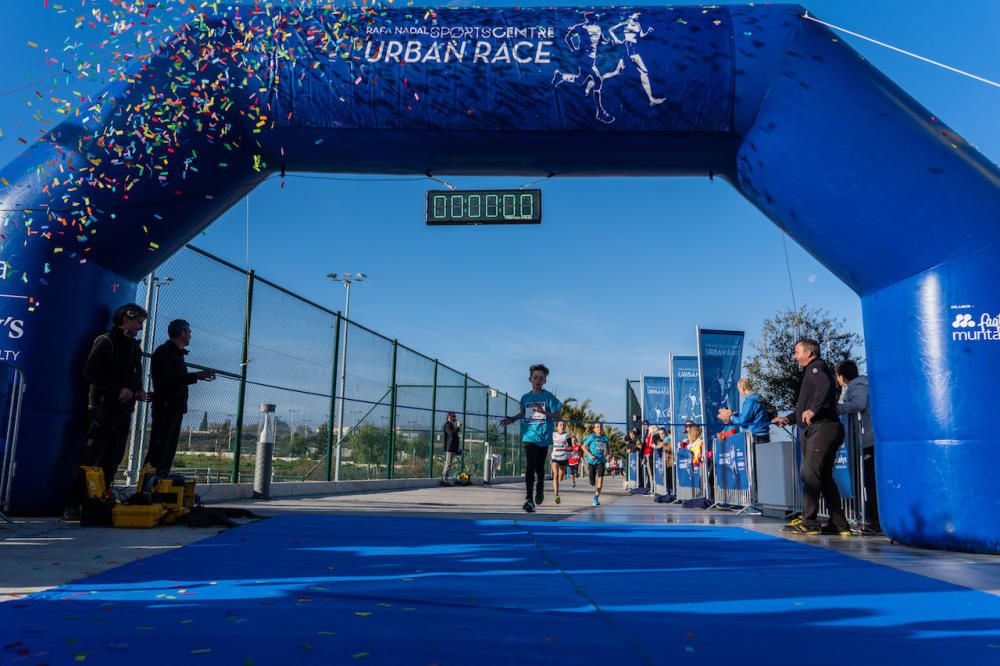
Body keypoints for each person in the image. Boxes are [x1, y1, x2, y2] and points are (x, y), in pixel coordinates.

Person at [64, 304, 148, 520]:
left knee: (113, 458)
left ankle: (101, 500)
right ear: (127, 318)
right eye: (138, 322)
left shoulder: (133, 347)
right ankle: (74, 504)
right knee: (90, 457)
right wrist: (117, 390)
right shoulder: (106, 341)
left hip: (124, 410)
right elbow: (91, 372)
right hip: (102, 409)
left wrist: (138, 390)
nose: (140, 327)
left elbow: (135, 375)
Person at [773, 339, 851, 537]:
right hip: (823, 428)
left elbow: (826, 388)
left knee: (809, 473)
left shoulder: (816, 367)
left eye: (797, 352)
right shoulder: (814, 370)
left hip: (822, 429)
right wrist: (789, 418)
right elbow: (804, 407)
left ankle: (809, 521)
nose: (794, 356)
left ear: (808, 353)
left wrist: (814, 410)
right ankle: (839, 523)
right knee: (823, 477)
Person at [143, 320, 215, 476]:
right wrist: (196, 376)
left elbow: (175, 379)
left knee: (168, 451)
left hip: (174, 408)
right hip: (165, 408)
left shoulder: (176, 354)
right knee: (159, 450)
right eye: (188, 332)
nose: (190, 336)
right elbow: (168, 380)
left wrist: (194, 377)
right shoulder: (164, 353)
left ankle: (159, 485)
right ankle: (146, 487)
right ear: (182, 333)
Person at [500, 364, 563, 513]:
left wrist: (544, 412)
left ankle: (539, 489)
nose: (538, 380)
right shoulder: (525, 398)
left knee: (539, 467)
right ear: (530, 379)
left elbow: (558, 416)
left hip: (543, 438)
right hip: (529, 436)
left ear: (545, 381)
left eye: (541, 378)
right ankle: (529, 499)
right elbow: (523, 413)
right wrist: (512, 419)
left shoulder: (548, 397)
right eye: (535, 377)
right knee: (529, 466)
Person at [836, 360, 878, 532]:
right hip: (865, 439)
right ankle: (869, 517)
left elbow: (859, 404)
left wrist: (838, 408)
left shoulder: (857, 385)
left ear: (840, 376)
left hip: (867, 439)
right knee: (867, 481)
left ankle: (873, 520)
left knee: (869, 482)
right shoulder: (859, 385)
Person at [583, 422, 609, 506]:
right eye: (597, 427)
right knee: (592, 482)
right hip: (591, 462)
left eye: (600, 427)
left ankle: (596, 498)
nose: (599, 429)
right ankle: (592, 482)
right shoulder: (592, 437)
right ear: (594, 429)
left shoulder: (605, 439)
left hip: (601, 461)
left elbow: (608, 449)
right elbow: (583, 447)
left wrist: (608, 455)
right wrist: (590, 455)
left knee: (600, 479)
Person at [550, 421, 571, 504]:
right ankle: (556, 495)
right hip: (555, 457)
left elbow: (571, 448)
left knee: (561, 476)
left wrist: (563, 449)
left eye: (564, 425)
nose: (562, 426)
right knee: (556, 475)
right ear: (557, 427)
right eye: (561, 425)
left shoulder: (567, 436)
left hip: (564, 458)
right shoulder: (553, 435)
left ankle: (558, 483)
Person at [440, 412, 461, 486]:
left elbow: (454, 434)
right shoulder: (447, 425)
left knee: (449, 464)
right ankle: (443, 479)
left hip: (453, 447)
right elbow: (451, 434)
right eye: (453, 416)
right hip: (449, 447)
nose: (454, 417)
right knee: (448, 463)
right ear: (449, 417)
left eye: (455, 416)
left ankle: (445, 479)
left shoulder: (451, 425)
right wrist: (457, 427)